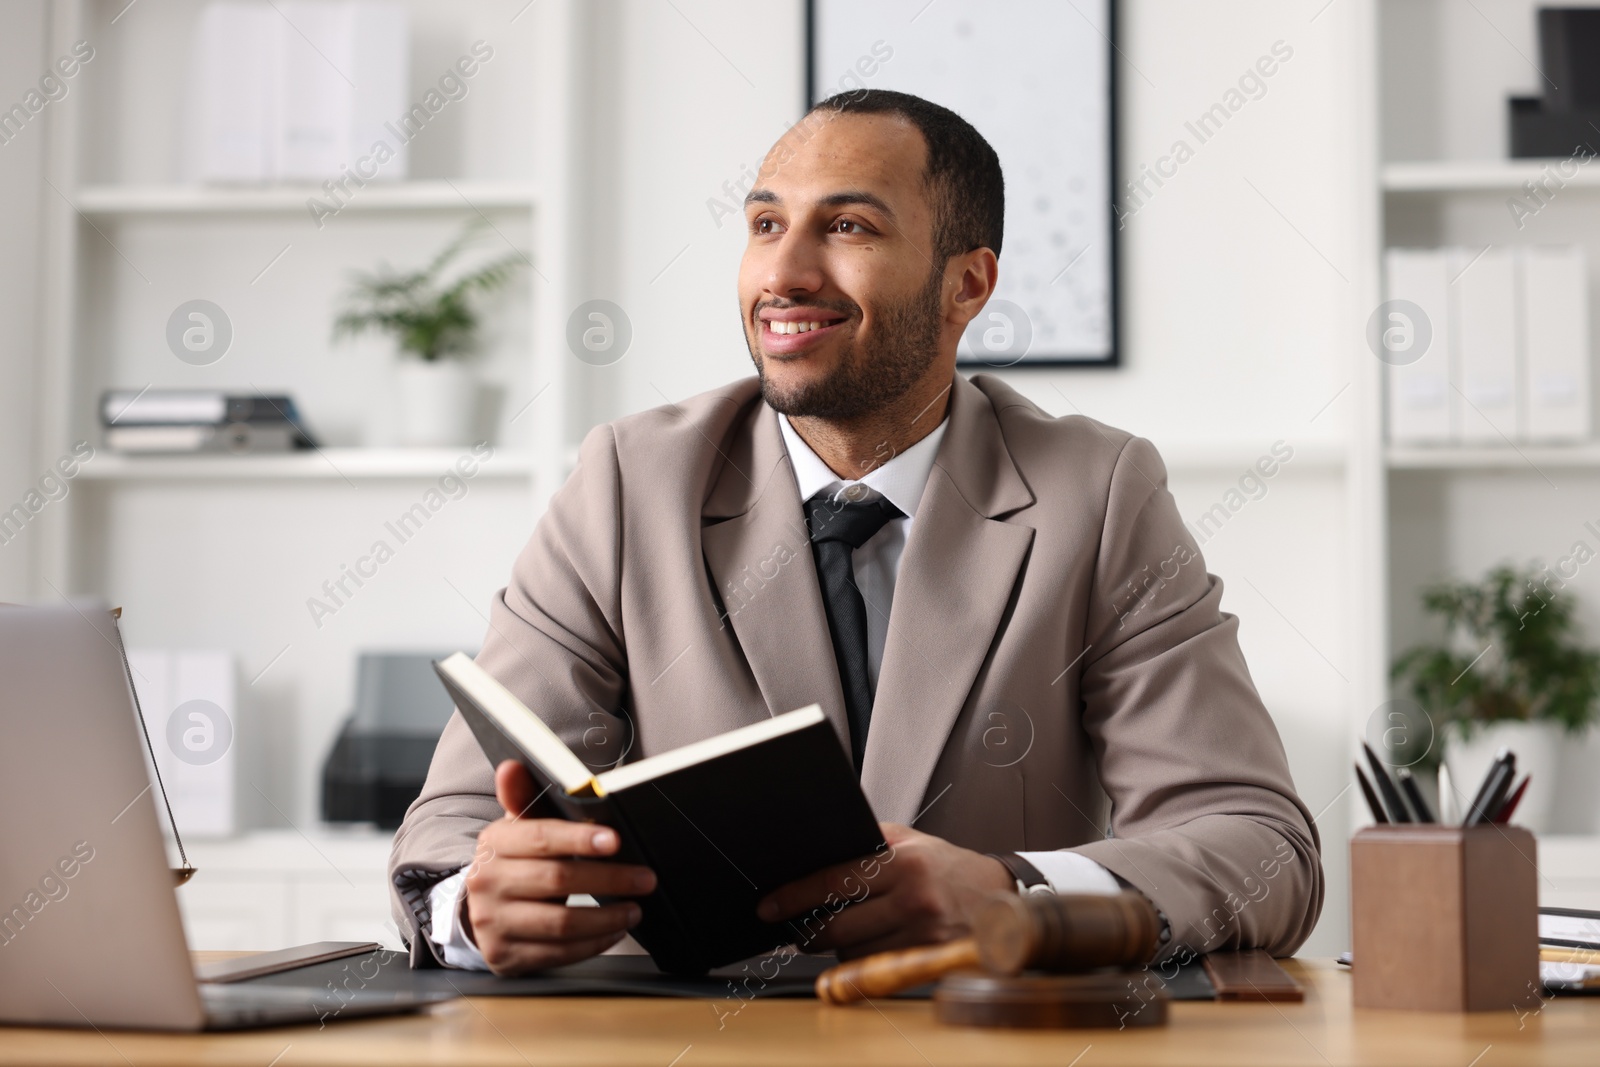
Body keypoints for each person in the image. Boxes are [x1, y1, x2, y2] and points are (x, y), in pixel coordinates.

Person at [389, 89, 1323, 974]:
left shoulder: (1099, 492)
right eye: (764, 225)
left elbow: (1264, 849)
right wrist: (477, 905)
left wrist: (1016, 895)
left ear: (967, 285)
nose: (784, 274)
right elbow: (449, 835)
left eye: (847, 227)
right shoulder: (628, 481)